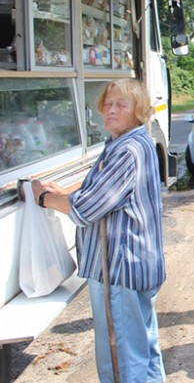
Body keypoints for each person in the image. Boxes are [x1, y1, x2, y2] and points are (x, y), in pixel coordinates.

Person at [31, 79, 166, 383]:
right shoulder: (130, 142)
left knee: (122, 359)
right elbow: (99, 189)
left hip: (119, 268)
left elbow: (87, 208)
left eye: (122, 104)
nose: (112, 109)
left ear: (139, 110)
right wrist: (64, 191)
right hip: (135, 266)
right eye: (108, 103)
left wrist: (43, 199)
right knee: (143, 348)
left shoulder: (127, 150)